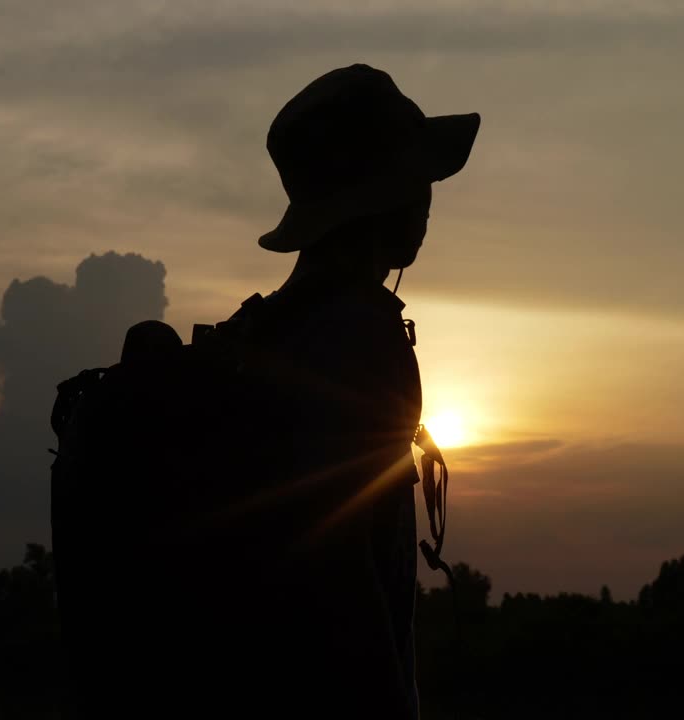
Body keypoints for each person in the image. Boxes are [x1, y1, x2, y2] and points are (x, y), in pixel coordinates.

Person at [226, 63, 481, 718]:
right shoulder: (362, 337)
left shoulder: (259, 335)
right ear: (385, 196)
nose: (428, 201)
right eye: (418, 182)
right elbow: (345, 576)